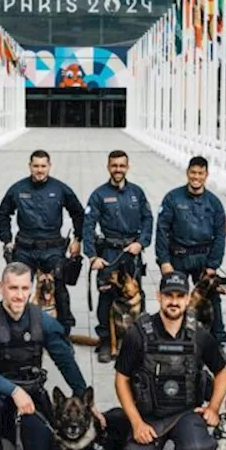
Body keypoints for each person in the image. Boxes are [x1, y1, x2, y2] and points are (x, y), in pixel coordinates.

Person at [106, 271, 226, 450]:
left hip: (186, 413)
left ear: (187, 299)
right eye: (168, 295)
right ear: (159, 296)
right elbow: (121, 379)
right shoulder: (138, 334)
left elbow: (222, 372)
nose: (174, 301)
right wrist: (136, 423)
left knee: (199, 449)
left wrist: (213, 407)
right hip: (149, 417)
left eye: (179, 296)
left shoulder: (200, 335)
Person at [0, 262, 93, 450]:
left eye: (24, 288)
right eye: (13, 288)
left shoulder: (42, 320)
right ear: (1, 287)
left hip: (30, 392)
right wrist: (14, 391)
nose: (19, 295)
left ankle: (8, 426)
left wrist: (84, 398)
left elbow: (65, 361)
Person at [0, 150, 85, 331]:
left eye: (43, 166)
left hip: (52, 247)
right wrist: (6, 240)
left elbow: (78, 212)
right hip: (25, 248)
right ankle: (17, 330)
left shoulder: (60, 189)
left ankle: (63, 331)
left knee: (59, 288)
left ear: (49, 166)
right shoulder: (18, 189)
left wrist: (78, 238)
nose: (39, 170)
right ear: (30, 166)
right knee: (17, 288)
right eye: (36, 166)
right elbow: (3, 213)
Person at [83, 150, 154, 363]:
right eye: (114, 165)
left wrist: (141, 243)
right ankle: (106, 340)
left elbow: (148, 220)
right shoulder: (99, 194)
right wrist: (92, 256)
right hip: (109, 253)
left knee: (135, 296)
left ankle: (138, 340)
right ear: (108, 167)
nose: (118, 169)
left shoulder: (137, 193)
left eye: (122, 165)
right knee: (107, 297)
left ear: (127, 167)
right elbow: (87, 226)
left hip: (131, 252)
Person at [155, 156, 226, 344]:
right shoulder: (172, 198)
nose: (196, 177)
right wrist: (164, 261)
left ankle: (216, 339)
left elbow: (220, 235)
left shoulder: (214, 202)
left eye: (200, 173)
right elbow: (162, 229)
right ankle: (172, 335)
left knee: (211, 298)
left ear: (206, 175)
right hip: (178, 256)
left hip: (203, 257)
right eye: (193, 172)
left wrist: (213, 265)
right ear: (187, 173)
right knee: (173, 295)